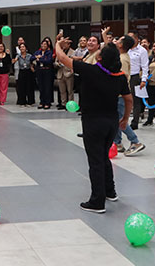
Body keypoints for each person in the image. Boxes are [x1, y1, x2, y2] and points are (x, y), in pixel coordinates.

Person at [55, 34, 133, 214]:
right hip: (111, 122)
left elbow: (61, 58)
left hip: (93, 122)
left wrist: (58, 44)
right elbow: (129, 100)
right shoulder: (119, 76)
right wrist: (125, 119)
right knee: (103, 156)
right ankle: (110, 191)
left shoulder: (89, 70)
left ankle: (97, 201)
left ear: (99, 58)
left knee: (96, 161)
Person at [111, 35, 145, 155]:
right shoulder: (120, 56)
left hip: (120, 94)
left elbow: (123, 76)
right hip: (118, 93)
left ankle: (135, 141)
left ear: (121, 45)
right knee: (116, 118)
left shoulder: (123, 59)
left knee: (120, 120)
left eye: (118, 40)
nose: (116, 41)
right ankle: (118, 143)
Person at [127, 32, 149, 130]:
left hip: (135, 77)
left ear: (136, 39)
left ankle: (135, 121)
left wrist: (144, 80)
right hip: (124, 76)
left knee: (135, 101)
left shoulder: (142, 51)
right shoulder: (125, 49)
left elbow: (145, 66)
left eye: (131, 38)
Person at [33, 39, 54, 109]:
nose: (43, 45)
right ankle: (42, 101)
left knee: (47, 87)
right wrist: (36, 57)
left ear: (47, 46)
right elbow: (32, 58)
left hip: (47, 71)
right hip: (39, 71)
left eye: (45, 44)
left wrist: (40, 59)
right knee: (41, 87)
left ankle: (47, 102)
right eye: (42, 44)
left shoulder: (49, 52)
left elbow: (49, 61)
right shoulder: (38, 52)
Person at [54, 38, 74, 109]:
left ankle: (70, 104)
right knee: (62, 91)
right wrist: (57, 64)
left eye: (65, 44)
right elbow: (55, 61)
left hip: (68, 73)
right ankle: (63, 104)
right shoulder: (60, 51)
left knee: (70, 91)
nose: (64, 45)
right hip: (60, 73)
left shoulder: (72, 52)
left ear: (68, 44)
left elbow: (73, 62)